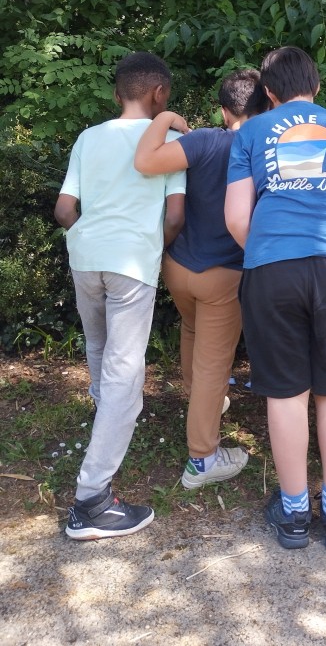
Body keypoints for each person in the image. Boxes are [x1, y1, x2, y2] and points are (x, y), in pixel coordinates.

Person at [224, 46, 326, 551]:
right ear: (316, 84)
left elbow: (236, 218)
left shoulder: (250, 132)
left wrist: (271, 253)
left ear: (268, 92)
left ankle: (294, 513)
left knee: (285, 392)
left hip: (272, 269)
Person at [54, 52, 186, 540]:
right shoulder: (170, 142)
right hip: (132, 262)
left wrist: (89, 234)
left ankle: (106, 421)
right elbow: (175, 218)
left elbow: (65, 208)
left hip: (85, 256)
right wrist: (151, 247)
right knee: (124, 374)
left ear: (116, 94)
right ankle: (92, 500)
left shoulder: (89, 138)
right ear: (161, 94)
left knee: (99, 350)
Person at [133, 68, 269, 490]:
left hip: (178, 268)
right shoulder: (268, 147)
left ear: (223, 109)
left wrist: (164, 118)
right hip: (224, 275)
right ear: (266, 105)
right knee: (214, 366)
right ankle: (202, 459)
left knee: (192, 331)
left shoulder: (204, 140)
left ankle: (202, 403)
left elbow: (145, 161)